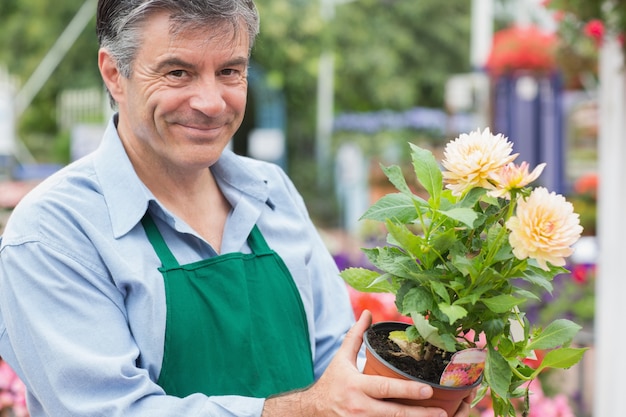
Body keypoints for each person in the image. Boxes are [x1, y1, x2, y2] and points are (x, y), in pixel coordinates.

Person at [0, 1, 474, 416]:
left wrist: (413, 394)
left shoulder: (272, 192)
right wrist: (305, 412)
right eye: (177, 72)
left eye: (230, 70)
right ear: (113, 74)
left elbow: (339, 361)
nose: (211, 102)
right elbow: (109, 412)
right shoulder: (54, 232)